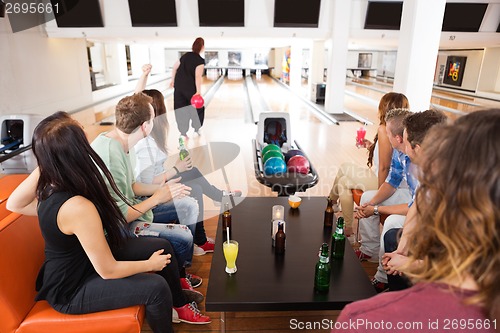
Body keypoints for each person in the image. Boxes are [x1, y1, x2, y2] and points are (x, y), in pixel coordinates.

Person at [7, 112, 176, 332]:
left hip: (85, 263)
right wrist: (149, 265)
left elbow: (15, 203)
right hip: (72, 290)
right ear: (76, 153)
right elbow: (108, 270)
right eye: (83, 140)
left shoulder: (56, 188)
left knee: (161, 246)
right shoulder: (76, 207)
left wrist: (50, 157)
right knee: (156, 288)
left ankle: (177, 304)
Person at [333, 109, 500, 333]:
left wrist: (411, 261)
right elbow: (416, 204)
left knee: (392, 228)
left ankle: (390, 283)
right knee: (395, 235)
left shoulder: (359, 321)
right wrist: (404, 253)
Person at [90, 94, 211, 324]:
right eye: (153, 117)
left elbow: (131, 185)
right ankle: (178, 301)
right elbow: (120, 215)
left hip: (132, 208)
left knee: (186, 204)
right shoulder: (110, 153)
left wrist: (165, 187)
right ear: (145, 126)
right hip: (116, 230)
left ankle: (178, 275)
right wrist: (157, 197)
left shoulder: (121, 142)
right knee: (180, 237)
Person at [135, 64, 241, 255]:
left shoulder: (149, 135)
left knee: (191, 172)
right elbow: (145, 182)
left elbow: (136, 101)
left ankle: (213, 209)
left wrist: (144, 76)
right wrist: (176, 169)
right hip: (150, 194)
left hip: (159, 183)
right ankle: (195, 242)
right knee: (195, 187)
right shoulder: (145, 143)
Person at [328, 92, 409, 237]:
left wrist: (380, 193)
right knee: (344, 181)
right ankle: (347, 228)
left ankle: (330, 203)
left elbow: (384, 166)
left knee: (344, 168)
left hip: (385, 182)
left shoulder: (384, 129)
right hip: (389, 180)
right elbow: (388, 155)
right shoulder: (397, 129)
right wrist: (370, 145)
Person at [354, 108, 417, 291]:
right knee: (367, 197)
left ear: (397, 137)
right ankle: (370, 250)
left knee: (391, 223)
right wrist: (371, 203)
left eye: (387, 133)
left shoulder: (416, 161)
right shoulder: (399, 152)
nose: (385, 137)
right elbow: (391, 182)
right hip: (414, 201)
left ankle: (382, 277)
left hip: (421, 209)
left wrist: (375, 210)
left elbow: (417, 206)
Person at [170, 37, 206, 137]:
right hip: (191, 90)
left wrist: (172, 80)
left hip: (179, 88)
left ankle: (183, 133)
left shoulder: (185, 56)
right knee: (198, 109)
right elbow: (198, 76)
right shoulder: (200, 60)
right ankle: (196, 130)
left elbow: (174, 67)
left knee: (180, 109)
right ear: (202, 47)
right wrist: (198, 92)